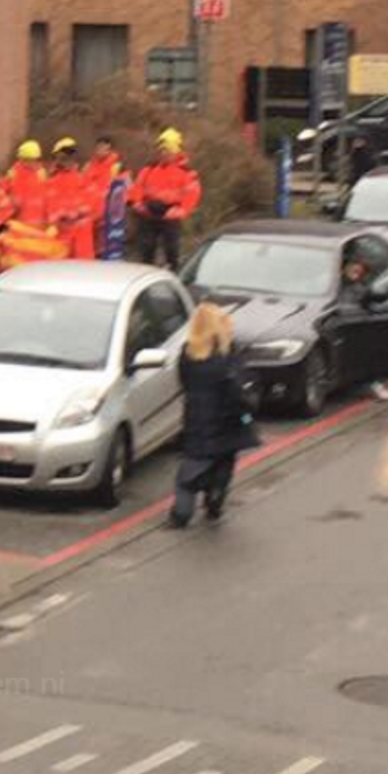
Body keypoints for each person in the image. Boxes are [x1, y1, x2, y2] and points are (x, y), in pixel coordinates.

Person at [170, 304, 259, 528]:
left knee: (188, 475)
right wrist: (248, 417)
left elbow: (184, 383)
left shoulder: (187, 355)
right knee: (224, 463)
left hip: (196, 421)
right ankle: (215, 499)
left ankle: (182, 512)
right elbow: (240, 392)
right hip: (228, 423)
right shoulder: (227, 357)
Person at [130, 128, 203, 269]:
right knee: (146, 250)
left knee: (172, 251)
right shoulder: (149, 169)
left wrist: (180, 211)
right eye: (161, 150)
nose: (164, 154)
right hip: (149, 214)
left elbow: (192, 195)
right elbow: (137, 188)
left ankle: (174, 274)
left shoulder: (186, 173)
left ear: (176, 152)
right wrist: (138, 204)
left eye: (168, 150)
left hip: (170, 215)